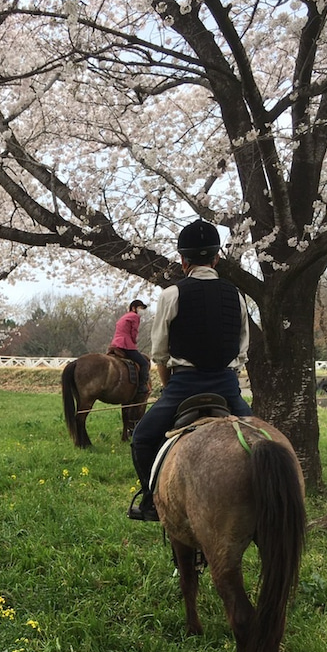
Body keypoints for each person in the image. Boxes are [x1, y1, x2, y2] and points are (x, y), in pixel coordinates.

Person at [129, 219, 252, 521]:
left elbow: (159, 353)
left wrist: (170, 385)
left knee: (142, 439)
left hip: (183, 386)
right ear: (216, 258)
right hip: (226, 386)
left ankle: (150, 501)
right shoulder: (235, 295)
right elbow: (242, 350)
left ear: (183, 261)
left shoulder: (171, 294)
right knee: (262, 440)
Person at [109, 299, 150, 389]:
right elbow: (134, 331)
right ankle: (142, 386)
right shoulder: (134, 316)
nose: (141, 311)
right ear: (133, 308)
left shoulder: (125, 316)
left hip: (115, 343)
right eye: (140, 308)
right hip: (125, 344)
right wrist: (134, 341)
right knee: (144, 363)